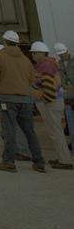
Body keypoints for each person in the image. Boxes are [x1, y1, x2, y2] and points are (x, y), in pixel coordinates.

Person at [0, 31, 45, 173]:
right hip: (25, 99)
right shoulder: (25, 59)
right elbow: (32, 79)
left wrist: (2, 84)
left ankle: (8, 161)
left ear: (4, 42)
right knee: (29, 131)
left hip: (7, 99)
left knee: (9, 130)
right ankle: (39, 162)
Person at [30, 42, 72, 170]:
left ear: (40, 53)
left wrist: (40, 94)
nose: (32, 55)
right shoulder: (51, 63)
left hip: (49, 102)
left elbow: (47, 86)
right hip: (54, 101)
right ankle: (62, 158)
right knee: (55, 131)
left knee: (55, 132)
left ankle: (65, 161)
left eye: (33, 53)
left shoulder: (45, 65)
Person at [54, 43, 74, 148]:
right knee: (70, 119)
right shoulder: (59, 64)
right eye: (61, 54)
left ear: (67, 51)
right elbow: (59, 79)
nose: (63, 55)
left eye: (64, 53)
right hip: (66, 95)